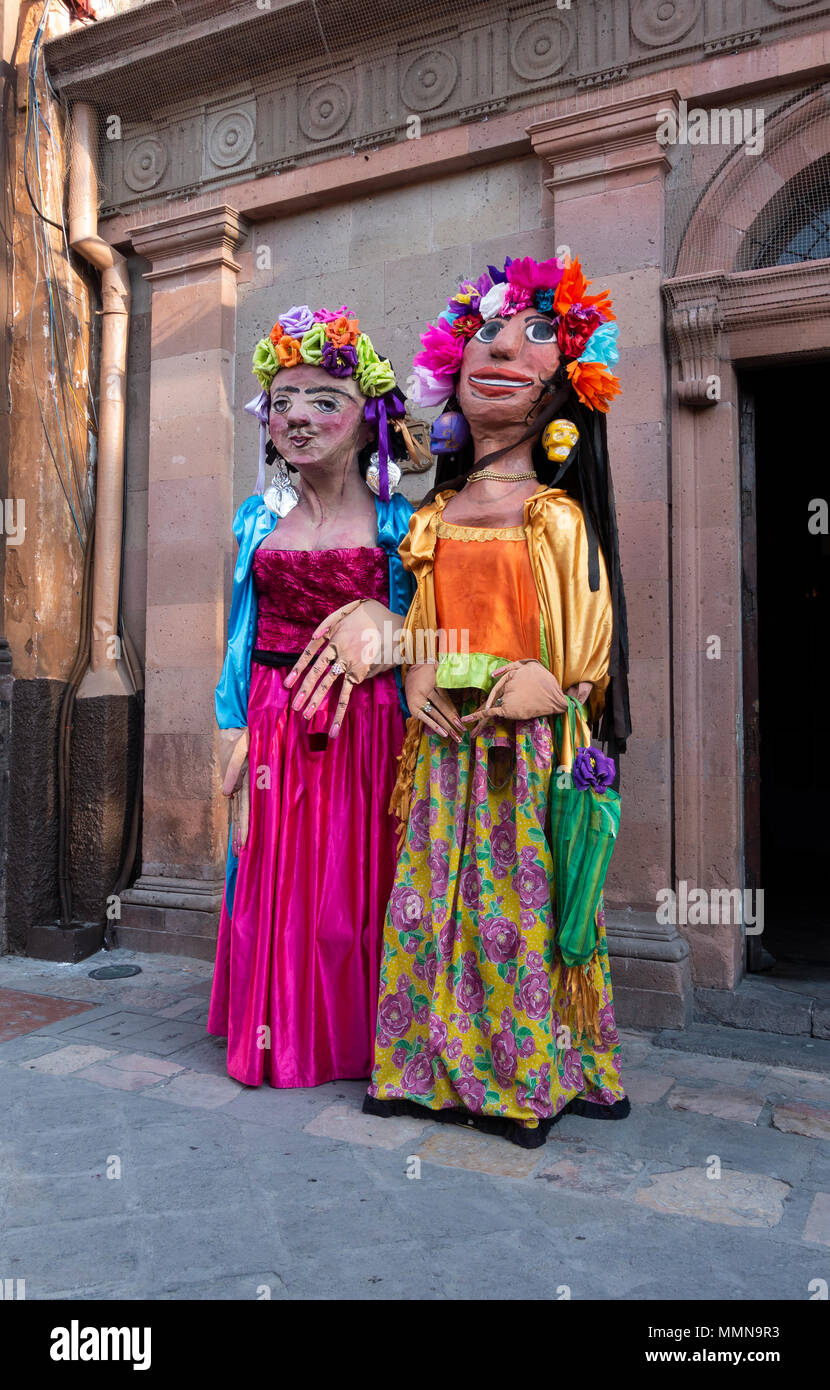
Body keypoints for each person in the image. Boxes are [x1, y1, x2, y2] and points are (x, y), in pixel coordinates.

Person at [363, 254, 632, 1146]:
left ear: (563, 390)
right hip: (445, 744)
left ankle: (522, 1078)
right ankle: (421, 1066)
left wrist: (555, 683)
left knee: (518, 914)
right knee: (428, 903)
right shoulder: (436, 516)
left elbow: (589, 643)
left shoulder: (557, 516)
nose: (502, 350)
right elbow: (426, 623)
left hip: (527, 749)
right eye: (485, 333)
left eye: (535, 336)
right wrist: (415, 670)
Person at [208, 303, 429, 1088]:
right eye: (281, 402)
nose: (296, 417)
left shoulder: (406, 526)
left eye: (322, 401)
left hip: (366, 728)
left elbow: (440, 640)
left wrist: (392, 633)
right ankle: (276, 1026)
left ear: (369, 421)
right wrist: (231, 727)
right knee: (272, 880)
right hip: (271, 721)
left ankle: (347, 1034)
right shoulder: (254, 521)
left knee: (348, 888)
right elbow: (240, 633)